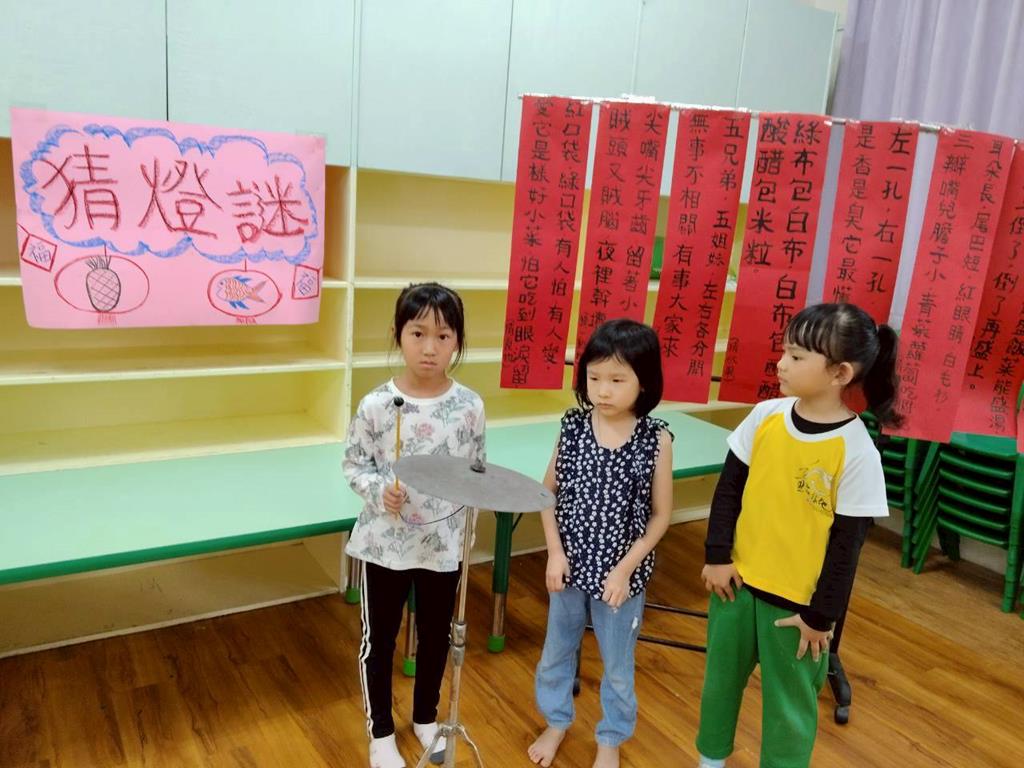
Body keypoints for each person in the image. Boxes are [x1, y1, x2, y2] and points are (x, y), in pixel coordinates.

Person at [696, 302, 899, 768]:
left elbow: (847, 548)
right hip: (735, 587)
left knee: (789, 710)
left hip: (796, 611)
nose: (781, 364)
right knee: (719, 685)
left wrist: (820, 618)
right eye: (784, 351)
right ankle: (709, 762)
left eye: (797, 356)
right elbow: (728, 491)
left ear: (840, 373)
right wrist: (717, 556)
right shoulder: (765, 415)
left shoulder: (857, 451)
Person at [344, 282, 485, 768]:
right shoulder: (376, 405)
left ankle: (426, 717)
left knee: (436, 636)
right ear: (397, 334)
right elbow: (354, 465)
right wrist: (378, 490)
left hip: (442, 545)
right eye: (418, 333)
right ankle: (380, 733)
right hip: (385, 543)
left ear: (458, 341)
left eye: (443, 336)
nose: (430, 347)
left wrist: (465, 534)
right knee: (379, 641)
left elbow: (477, 473)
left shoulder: (469, 406)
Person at [528, 319, 674, 768]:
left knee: (618, 666)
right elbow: (546, 494)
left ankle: (610, 738)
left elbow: (661, 515)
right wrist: (555, 553)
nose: (603, 391)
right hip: (570, 569)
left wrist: (625, 569)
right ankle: (556, 721)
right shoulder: (573, 427)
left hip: (619, 579)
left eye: (617, 380)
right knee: (556, 652)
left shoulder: (655, 439)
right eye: (594, 378)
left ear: (643, 382)